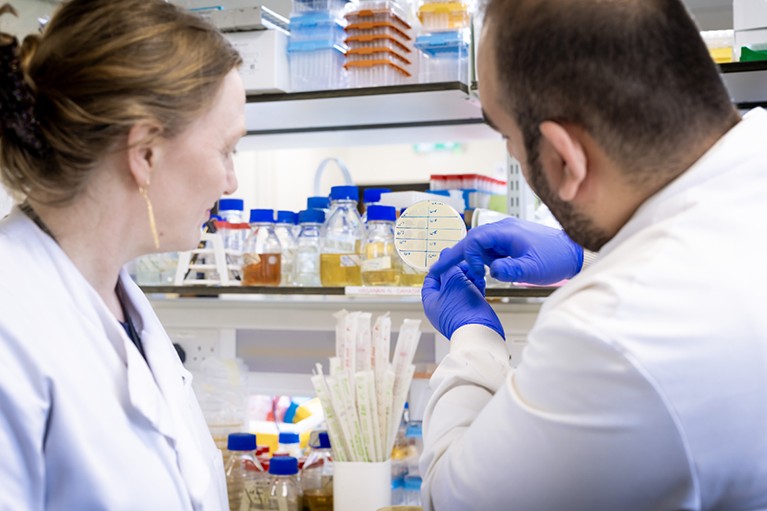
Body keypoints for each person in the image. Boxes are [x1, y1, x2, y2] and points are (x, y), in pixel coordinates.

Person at [419, 0, 767, 509]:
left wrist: (474, 339)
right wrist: (586, 252)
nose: (515, 154)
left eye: (510, 140)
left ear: (564, 157)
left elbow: (454, 499)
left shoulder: (608, 333)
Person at [0, 0, 245, 509]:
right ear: (145, 153)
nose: (231, 180)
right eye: (226, 149)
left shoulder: (115, 300)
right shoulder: (11, 321)